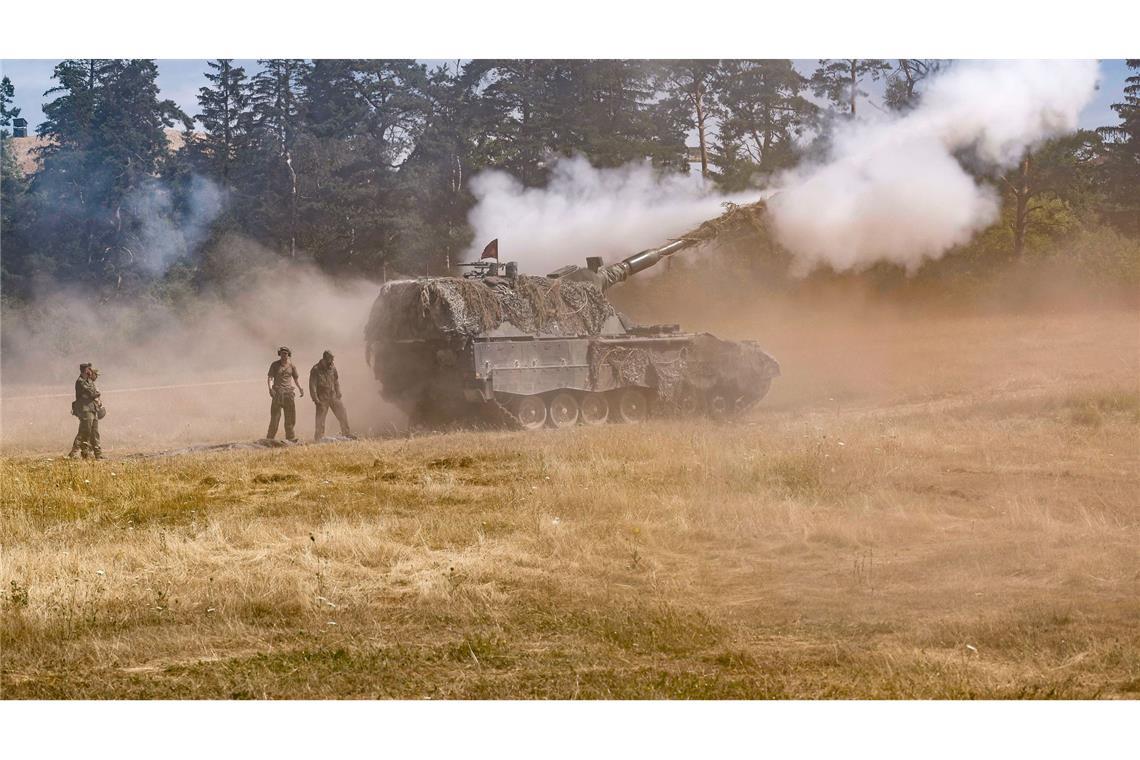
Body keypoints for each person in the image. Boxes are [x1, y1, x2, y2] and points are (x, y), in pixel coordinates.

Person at [309, 350, 354, 440]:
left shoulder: (332, 367)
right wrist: (315, 399)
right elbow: (312, 385)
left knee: (342, 414)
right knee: (320, 420)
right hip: (322, 398)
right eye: (331, 359)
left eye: (332, 359)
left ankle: (347, 434)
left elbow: (336, 380)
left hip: (333, 396)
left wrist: (338, 391)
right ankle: (319, 438)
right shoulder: (316, 369)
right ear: (325, 359)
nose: (332, 362)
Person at [266, 346, 303, 442]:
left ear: (288, 355)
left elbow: (295, 379)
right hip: (277, 394)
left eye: (286, 353)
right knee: (275, 418)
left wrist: (300, 389)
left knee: (290, 417)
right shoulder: (274, 365)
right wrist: (270, 389)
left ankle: (290, 438)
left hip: (288, 394)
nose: (284, 355)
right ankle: (270, 438)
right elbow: (270, 378)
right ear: (280, 354)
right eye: (282, 353)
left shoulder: (292, 366)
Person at [68, 363, 103, 459]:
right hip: (85, 410)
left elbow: (94, 393)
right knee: (84, 431)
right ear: (85, 370)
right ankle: (74, 452)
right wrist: (96, 394)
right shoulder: (80, 381)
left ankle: (98, 454)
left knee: (94, 432)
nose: (91, 371)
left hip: (92, 408)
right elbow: (92, 393)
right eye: (89, 369)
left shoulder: (89, 381)